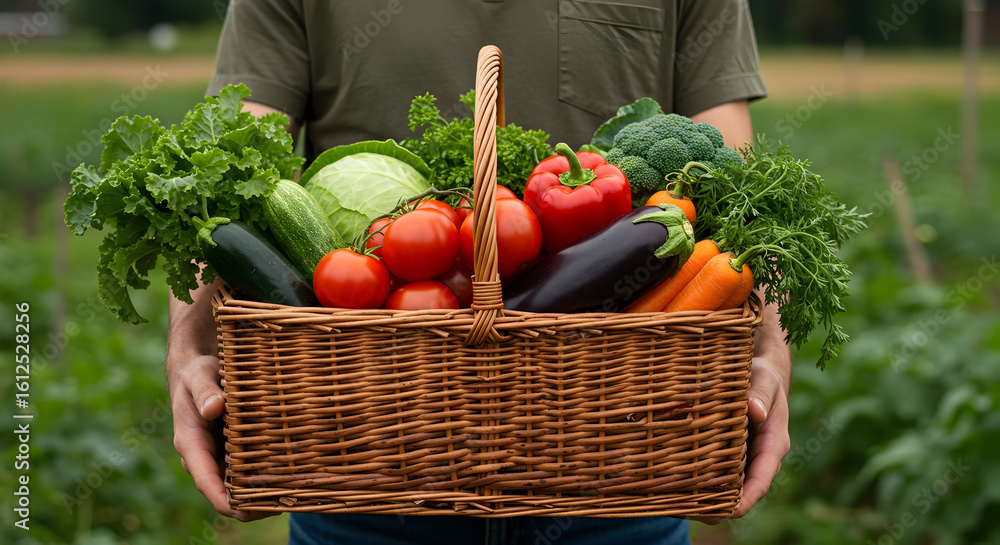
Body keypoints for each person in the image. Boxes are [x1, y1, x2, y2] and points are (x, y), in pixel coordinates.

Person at [166, 1, 791, 543]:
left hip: (619, 451)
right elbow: (236, 166)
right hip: (365, 455)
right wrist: (189, 340)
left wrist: (766, 343)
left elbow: (734, 173)